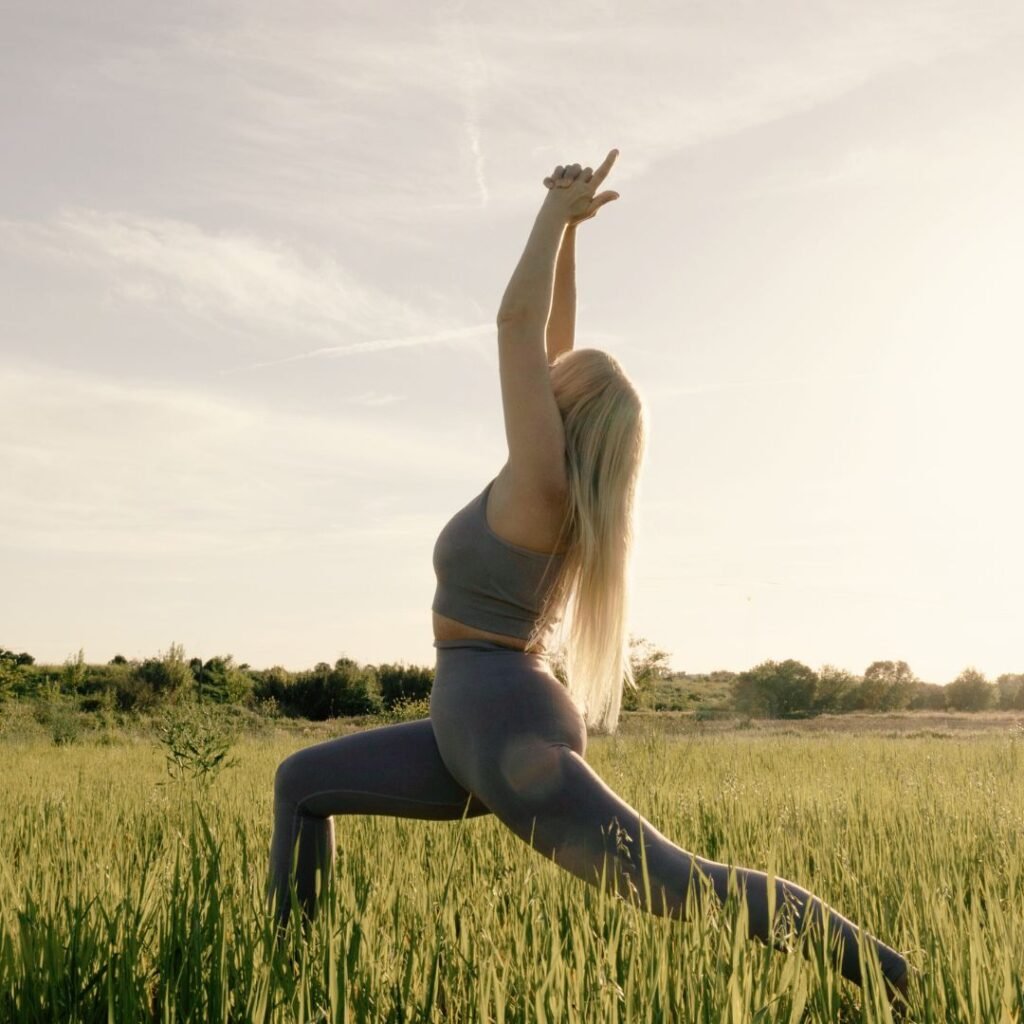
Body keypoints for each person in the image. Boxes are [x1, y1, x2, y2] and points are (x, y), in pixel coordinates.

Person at [266, 149, 910, 1008]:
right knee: (302, 785)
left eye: (557, 380)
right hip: (474, 721)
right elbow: (549, 342)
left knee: (682, 886)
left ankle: (899, 978)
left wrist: (549, 215)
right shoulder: (554, 481)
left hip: (501, 726)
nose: (544, 374)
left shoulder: (543, 485)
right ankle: (290, 980)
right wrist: (570, 233)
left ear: (568, 410)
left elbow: (517, 328)